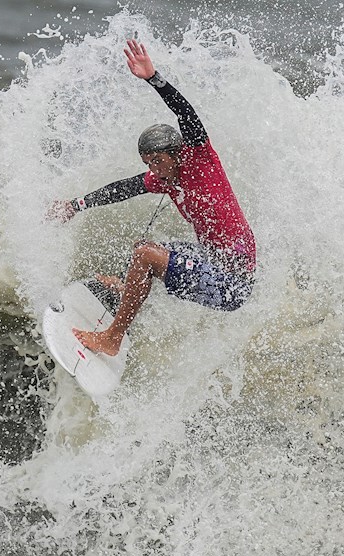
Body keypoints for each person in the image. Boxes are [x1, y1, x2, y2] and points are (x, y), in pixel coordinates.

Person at [51, 39, 256, 356]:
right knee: (143, 251)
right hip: (211, 260)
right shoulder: (165, 179)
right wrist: (75, 206)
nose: (154, 169)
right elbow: (123, 188)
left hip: (232, 282)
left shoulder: (201, 161)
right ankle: (125, 292)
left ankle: (112, 339)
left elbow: (186, 114)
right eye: (148, 163)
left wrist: (153, 77)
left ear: (177, 154)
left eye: (158, 161)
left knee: (146, 255)